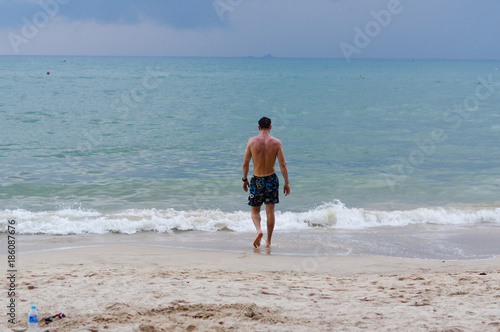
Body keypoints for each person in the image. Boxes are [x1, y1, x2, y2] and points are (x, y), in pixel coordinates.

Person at [242, 117, 291, 248]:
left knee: (255, 211)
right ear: (270, 127)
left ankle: (259, 231)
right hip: (271, 179)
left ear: (259, 127)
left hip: (257, 179)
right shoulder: (276, 142)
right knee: (270, 212)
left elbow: (245, 163)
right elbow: (283, 164)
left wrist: (245, 179)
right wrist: (287, 182)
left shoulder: (252, 142)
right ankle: (268, 241)